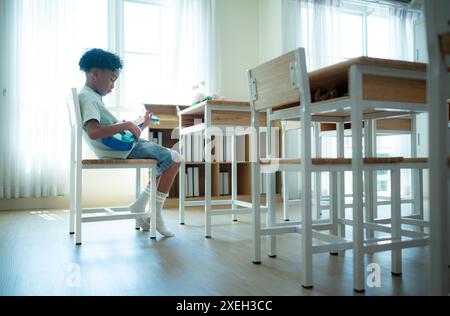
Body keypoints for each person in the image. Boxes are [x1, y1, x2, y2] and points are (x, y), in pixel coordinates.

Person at [78, 48, 180, 237]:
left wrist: (138, 125)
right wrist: (127, 124)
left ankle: (140, 206)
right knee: (174, 158)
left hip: (119, 148)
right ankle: (154, 214)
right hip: (117, 151)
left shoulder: (90, 97)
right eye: (112, 79)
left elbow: (118, 137)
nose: (112, 86)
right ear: (95, 72)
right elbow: (94, 132)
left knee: (168, 160)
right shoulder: (88, 98)